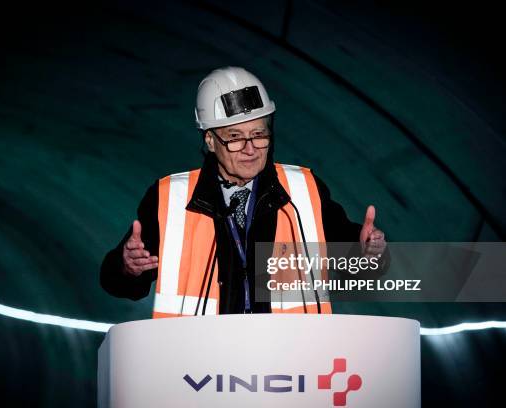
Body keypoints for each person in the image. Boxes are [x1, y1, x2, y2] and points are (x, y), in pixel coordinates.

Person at [100, 66, 387, 317]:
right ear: (211, 140)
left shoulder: (304, 190)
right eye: (235, 138)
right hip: (200, 366)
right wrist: (127, 267)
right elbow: (117, 283)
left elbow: (356, 269)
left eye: (259, 135)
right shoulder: (170, 199)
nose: (250, 149)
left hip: (292, 363)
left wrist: (367, 252)